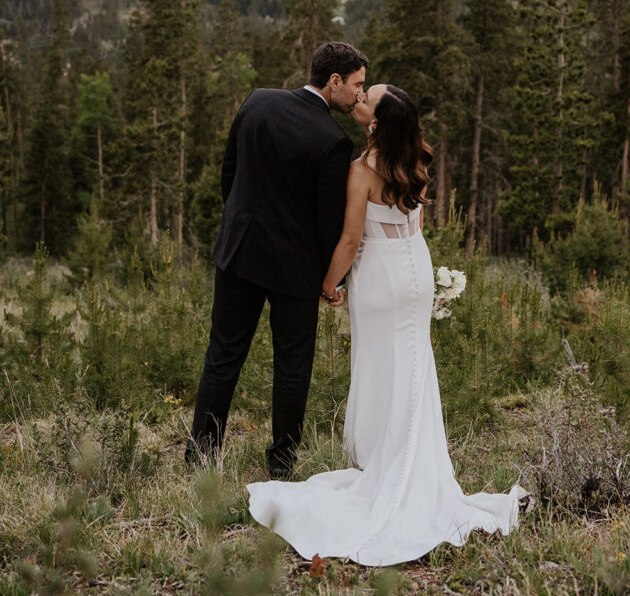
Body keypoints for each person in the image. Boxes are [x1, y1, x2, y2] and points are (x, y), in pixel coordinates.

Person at [248, 84, 527, 565]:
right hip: (415, 271)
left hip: (380, 277)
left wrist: (328, 284)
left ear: (376, 122)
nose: (360, 100)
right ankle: (416, 467)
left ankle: (390, 472)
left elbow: (352, 240)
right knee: (414, 368)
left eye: (368, 99)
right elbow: (413, 226)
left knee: (381, 368)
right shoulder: (413, 164)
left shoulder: (361, 171)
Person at [185, 41, 368, 478]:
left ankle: (201, 456)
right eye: (357, 85)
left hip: (240, 254)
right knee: (292, 366)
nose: (360, 96)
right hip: (295, 271)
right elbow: (330, 224)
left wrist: (239, 228)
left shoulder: (258, 101)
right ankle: (282, 464)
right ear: (334, 80)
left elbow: (228, 176)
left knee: (223, 355)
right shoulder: (333, 142)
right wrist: (330, 282)